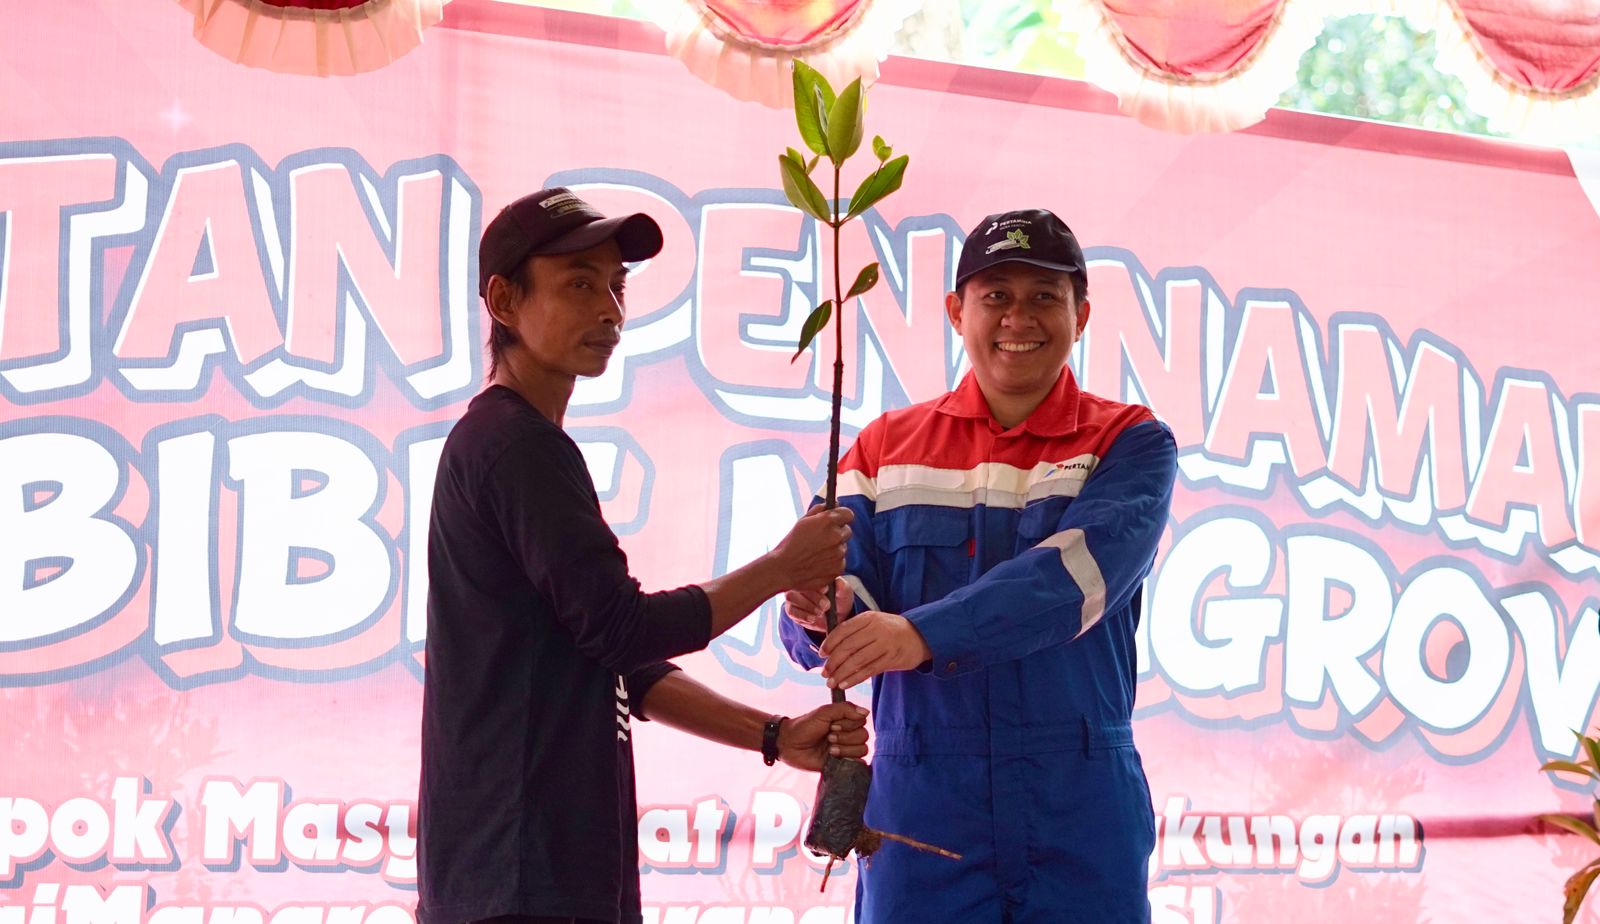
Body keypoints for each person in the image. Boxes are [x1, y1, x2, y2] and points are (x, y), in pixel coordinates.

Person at [419, 187, 866, 924]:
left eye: (617, 287)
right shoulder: (515, 446)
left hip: (539, 872)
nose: (610, 310)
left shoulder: (521, 444)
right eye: (579, 285)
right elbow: (624, 629)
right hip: (520, 878)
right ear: (504, 301)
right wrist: (780, 570)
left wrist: (776, 737)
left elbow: (615, 661)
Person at [780, 208, 1176, 923]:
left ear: (1081, 314)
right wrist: (815, 609)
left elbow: (1070, 581)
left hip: (1078, 800)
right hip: (921, 797)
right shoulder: (882, 448)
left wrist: (917, 636)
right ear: (956, 311)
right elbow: (830, 594)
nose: (1017, 317)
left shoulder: (1131, 441)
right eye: (996, 296)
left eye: (1044, 297)